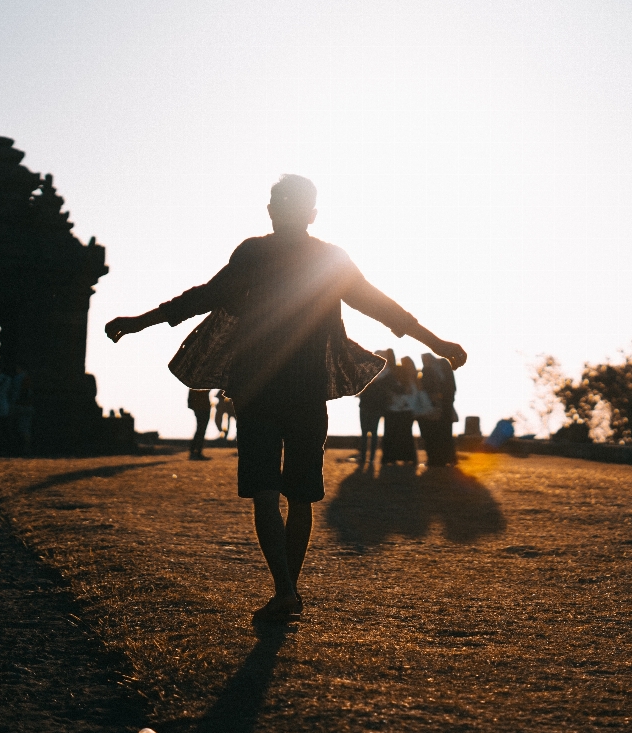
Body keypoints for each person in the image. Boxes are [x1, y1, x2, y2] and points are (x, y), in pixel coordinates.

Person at [105, 174, 466, 622]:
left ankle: (285, 590)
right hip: (307, 389)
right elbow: (381, 306)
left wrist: (141, 321)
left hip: (257, 387)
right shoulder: (329, 259)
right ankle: (287, 592)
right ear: (311, 214)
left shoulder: (256, 251)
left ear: (273, 211)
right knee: (300, 495)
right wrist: (438, 343)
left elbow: (205, 297)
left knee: (265, 492)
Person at [417, 353, 457, 466]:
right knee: (445, 435)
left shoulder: (428, 371)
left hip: (434, 408)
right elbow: (451, 389)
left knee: (433, 436)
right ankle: (447, 458)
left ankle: (436, 459)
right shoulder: (443, 371)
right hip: (445, 408)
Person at [357, 348, 395, 466]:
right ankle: (369, 458)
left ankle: (365, 457)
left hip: (367, 405)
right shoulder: (388, 373)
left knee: (366, 433)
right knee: (372, 433)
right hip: (375, 406)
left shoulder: (368, 370)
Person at [382, 356, 421, 465]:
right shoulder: (409, 380)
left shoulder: (401, 381)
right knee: (405, 436)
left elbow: (409, 394)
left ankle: (392, 457)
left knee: (394, 435)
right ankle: (406, 457)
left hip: (398, 410)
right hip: (405, 411)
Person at [10, 365, 34, 456]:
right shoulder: (29, 378)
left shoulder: (18, 378)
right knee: (26, 427)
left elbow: (16, 393)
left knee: (19, 427)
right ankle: (26, 448)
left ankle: (20, 448)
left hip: (20, 405)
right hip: (27, 405)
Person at [188, 388, 213, 460]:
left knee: (200, 429)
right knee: (201, 430)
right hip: (202, 407)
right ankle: (196, 452)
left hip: (201, 407)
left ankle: (195, 452)